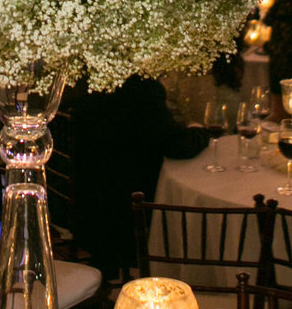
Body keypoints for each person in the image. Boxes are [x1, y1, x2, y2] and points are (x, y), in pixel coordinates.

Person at [60, 74, 208, 282]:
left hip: (83, 207)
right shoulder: (141, 88)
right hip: (127, 215)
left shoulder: (88, 80)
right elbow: (178, 145)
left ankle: (104, 278)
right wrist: (200, 131)